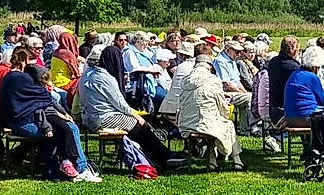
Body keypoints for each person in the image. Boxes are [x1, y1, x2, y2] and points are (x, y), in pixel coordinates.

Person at [78, 45, 186, 173]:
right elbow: (120, 104)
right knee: (141, 127)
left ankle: (156, 156)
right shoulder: (105, 78)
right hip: (104, 118)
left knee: (138, 125)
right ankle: (164, 158)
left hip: (90, 117)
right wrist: (137, 116)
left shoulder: (87, 74)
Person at [0, 48, 98, 182]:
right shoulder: (19, 78)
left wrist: (59, 113)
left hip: (25, 119)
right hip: (22, 123)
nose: (33, 68)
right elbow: (40, 98)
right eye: (31, 64)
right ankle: (75, 167)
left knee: (66, 128)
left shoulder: (13, 77)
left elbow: (40, 99)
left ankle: (68, 165)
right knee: (62, 131)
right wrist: (59, 114)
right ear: (22, 61)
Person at [177, 50, 245, 171]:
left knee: (211, 123)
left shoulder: (185, 81)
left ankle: (212, 162)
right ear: (209, 67)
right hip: (205, 124)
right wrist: (225, 113)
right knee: (227, 125)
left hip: (186, 124)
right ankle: (237, 161)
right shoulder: (214, 81)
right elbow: (222, 106)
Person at [213, 40, 253, 134]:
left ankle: (245, 130)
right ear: (228, 50)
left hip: (234, 91)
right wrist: (242, 93)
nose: (238, 54)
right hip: (225, 93)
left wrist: (244, 92)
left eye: (239, 52)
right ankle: (254, 126)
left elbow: (237, 81)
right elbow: (226, 84)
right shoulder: (220, 61)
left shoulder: (232, 61)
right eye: (236, 51)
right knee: (249, 98)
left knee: (249, 97)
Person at [266, 35, 301, 123]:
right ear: (295, 51)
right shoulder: (294, 68)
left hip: (273, 109)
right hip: (286, 112)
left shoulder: (273, 62)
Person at [49, 32, 83, 109]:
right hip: (64, 83)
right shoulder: (68, 55)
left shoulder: (56, 52)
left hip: (53, 81)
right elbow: (76, 73)